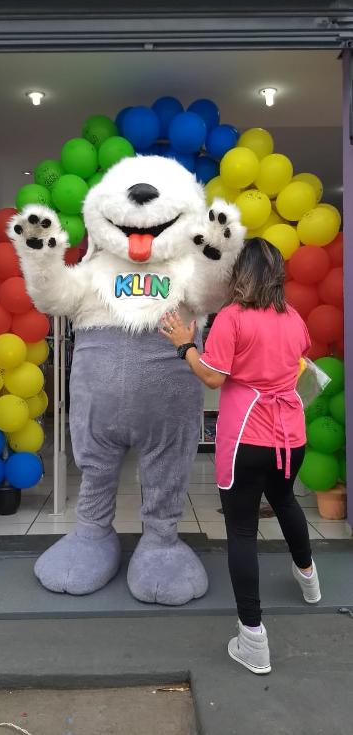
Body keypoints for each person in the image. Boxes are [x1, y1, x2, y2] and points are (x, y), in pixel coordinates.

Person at [160, 237, 321, 675]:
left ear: (241, 275)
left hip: (248, 437)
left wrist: (184, 345)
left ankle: (253, 639)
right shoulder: (293, 317)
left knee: (243, 531)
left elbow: (212, 378)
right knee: (286, 500)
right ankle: (309, 580)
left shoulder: (232, 318)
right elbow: (301, 359)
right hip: (291, 436)